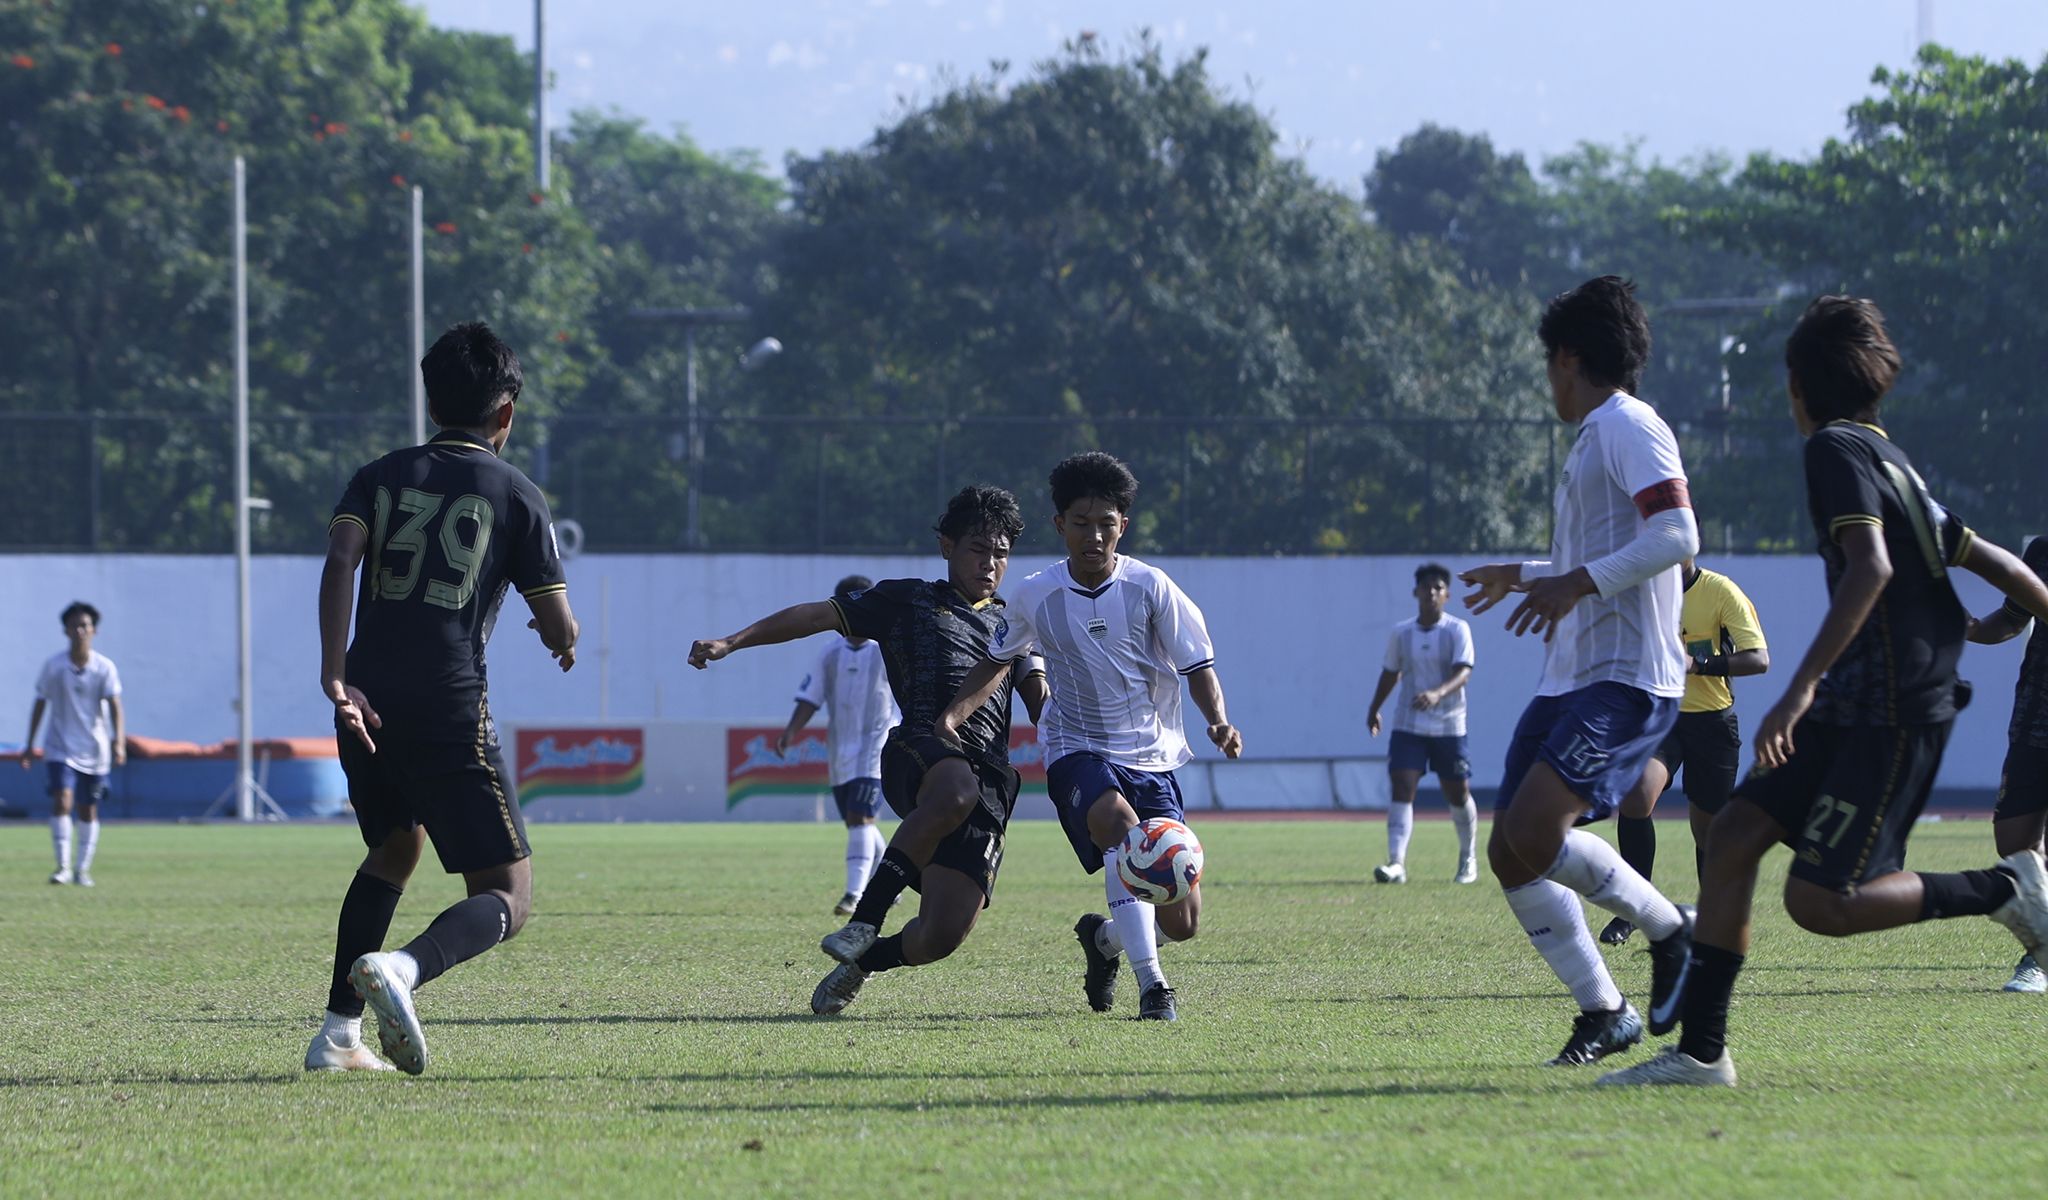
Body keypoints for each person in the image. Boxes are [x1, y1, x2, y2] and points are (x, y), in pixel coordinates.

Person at [1599, 296, 2048, 1088]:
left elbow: (1871, 568)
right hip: (1867, 698)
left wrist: (1795, 689)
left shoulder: (1833, 452)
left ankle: (2004, 889)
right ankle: (1703, 1054)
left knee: (1823, 903)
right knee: (1733, 834)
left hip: (1888, 708)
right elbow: (1998, 563)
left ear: (1798, 384)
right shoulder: (1892, 459)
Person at [305, 321, 579, 1075]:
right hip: (450, 704)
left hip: (364, 700)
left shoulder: (379, 474)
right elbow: (556, 621)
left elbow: (339, 561)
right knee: (509, 895)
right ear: (507, 415)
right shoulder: (516, 492)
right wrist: (565, 636)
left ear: (431, 401)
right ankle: (406, 969)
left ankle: (336, 1036)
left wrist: (335, 676)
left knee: (394, 848)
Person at [689, 486, 1047, 1016]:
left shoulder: (1017, 624)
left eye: (1000, 553)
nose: (990, 564)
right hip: (921, 748)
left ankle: (863, 961)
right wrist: (731, 642)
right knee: (954, 789)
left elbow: (1041, 699)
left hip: (990, 779)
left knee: (942, 934)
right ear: (946, 546)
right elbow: (815, 616)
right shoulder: (906, 600)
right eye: (977, 549)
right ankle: (866, 916)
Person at [1459, 276, 1700, 1067]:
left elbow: (1677, 534)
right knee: (1510, 852)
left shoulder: (1631, 426)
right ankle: (1606, 1010)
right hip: (1572, 677)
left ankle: (1673, 931)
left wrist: (1572, 583)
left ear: (1567, 357)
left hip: (1625, 676)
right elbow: (1590, 556)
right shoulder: (1599, 434)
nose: (1549, 380)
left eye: (1548, 364)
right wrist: (1529, 572)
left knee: (1534, 834)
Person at [940, 452, 1243, 1022]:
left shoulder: (1152, 587)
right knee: (1118, 828)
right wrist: (953, 716)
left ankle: (1104, 940)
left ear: (1122, 526)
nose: (1094, 535)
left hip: (1152, 757)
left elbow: (1197, 665)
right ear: (1061, 525)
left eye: (1106, 523)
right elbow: (997, 659)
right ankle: (1154, 987)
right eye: (1081, 523)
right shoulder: (1034, 594)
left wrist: (1218, 720)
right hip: (1075, 747)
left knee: (1183, 921)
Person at [1599, 560, 1769, 945]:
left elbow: (1758, 658)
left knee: (1708, 833)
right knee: (1636, 796)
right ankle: (1633, 910)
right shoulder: (1643, 590)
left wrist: (1698, 664)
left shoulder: (1720, 591)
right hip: (1662, 719)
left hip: (1713, 724)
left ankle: (1710, 920)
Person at [777, 573, 901, 916]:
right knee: (857, 822)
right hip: (840, 752)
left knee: (861, 818)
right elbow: (810, 697)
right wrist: (791, 732)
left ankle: (854, 894)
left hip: (877, 750)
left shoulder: (887, 648)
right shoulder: (830, 653)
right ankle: (888, 883)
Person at [1965, 535, 2048, 992]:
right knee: (2015, 843)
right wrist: (1972, 628)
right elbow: (2013, 619)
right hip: (2035, 714)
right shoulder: (2041, 551)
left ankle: (2037, 958)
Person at [1367, 563, 1479, 885]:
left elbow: (1464, 670)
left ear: (1447, 595)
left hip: (1449, 724)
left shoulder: (1457, 630)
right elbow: (1391, 672)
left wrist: (1437, 693)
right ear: (1415, 592)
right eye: (1425, 587)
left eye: (1437, 588)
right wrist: (1375, 707)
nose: (1431, 593)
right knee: (1402, 786)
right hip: (1409, 723)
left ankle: (1467, 858)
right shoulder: (1402, 633)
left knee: (1457, 793)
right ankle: (1396, 863)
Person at [18, 601, 125, 887]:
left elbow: (115, 705)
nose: (80, 631)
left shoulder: (104, 667)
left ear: (94, 630)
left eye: (85, 626)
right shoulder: (54, 667)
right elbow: (40, 703)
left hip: (95, 749)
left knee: (88, 808)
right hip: (59, 747)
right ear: (65, 630)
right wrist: (30, 745)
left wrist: (119, 743)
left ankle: (82, 869)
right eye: (74, 626)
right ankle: (62, 866)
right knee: (62, 800)